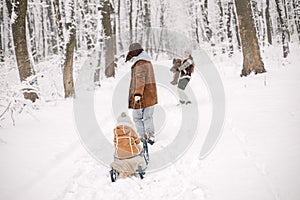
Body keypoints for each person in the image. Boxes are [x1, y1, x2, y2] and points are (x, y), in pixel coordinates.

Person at [125, 43, 158, 145]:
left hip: (141, 96)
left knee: (137, 117)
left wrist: (137, 94)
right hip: (150, 95)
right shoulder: (147, 61)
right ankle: (150, 135)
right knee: (148, 116)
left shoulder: (140, 63)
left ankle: (142, 136)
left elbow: (140, 79)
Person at [110, 112, 146, 179]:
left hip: (120, 156)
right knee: (139, 152)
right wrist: (139, 148)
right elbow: (137, 141)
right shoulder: (131, 130)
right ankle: (138, 166)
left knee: (117, 153)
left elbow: (115, 143)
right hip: (132, 154)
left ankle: (118, 169)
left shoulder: (116, 131)